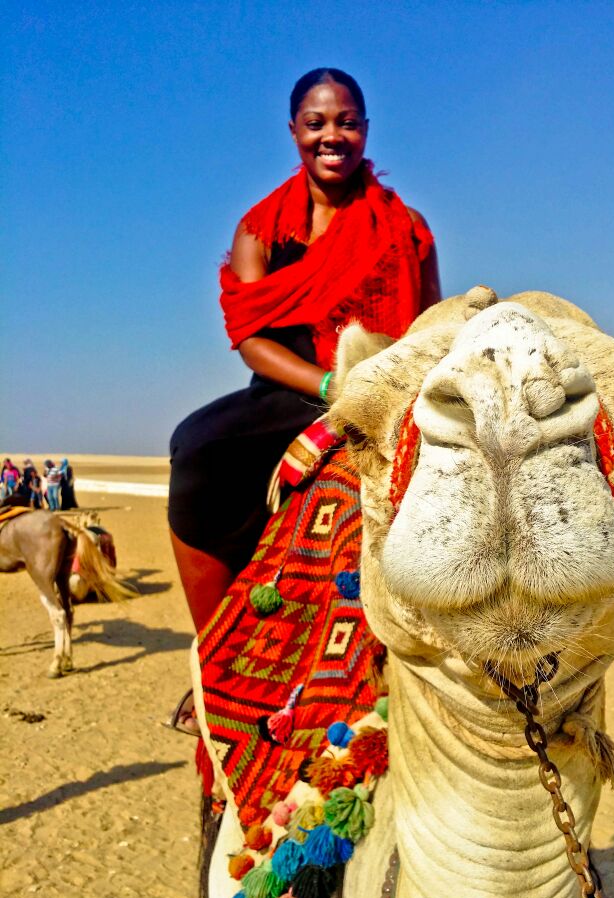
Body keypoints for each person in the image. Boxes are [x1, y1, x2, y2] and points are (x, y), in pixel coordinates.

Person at [168, 68, 441, 635]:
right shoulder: (261, 229)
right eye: (316, 124)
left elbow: (430, 327)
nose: (331, 136)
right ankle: (211, 645)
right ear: (294, 131)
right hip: (295, 388)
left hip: (387, 389)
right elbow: (249, 338)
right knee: (194, 448)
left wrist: (385, 387)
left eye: (346, 123)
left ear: (366, 130)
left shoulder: (407, 228)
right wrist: (329, 386)